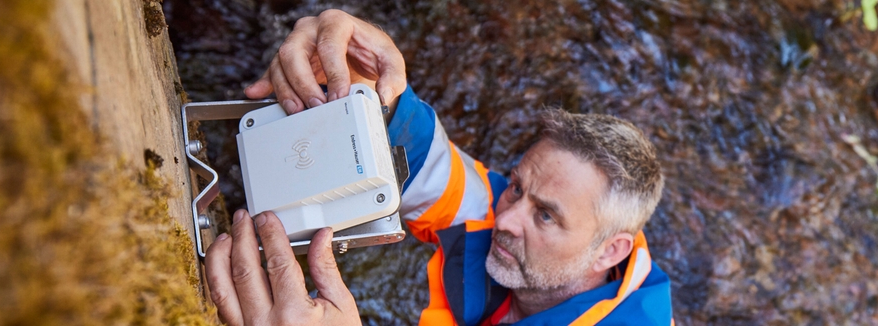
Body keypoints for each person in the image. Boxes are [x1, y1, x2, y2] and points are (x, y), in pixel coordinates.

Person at [202, 9, 672, 326]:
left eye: (545, 216)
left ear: (611, 252)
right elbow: (424, 161)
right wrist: (359, 80)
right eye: (517, 188)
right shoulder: (509, 215)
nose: (504, 220)